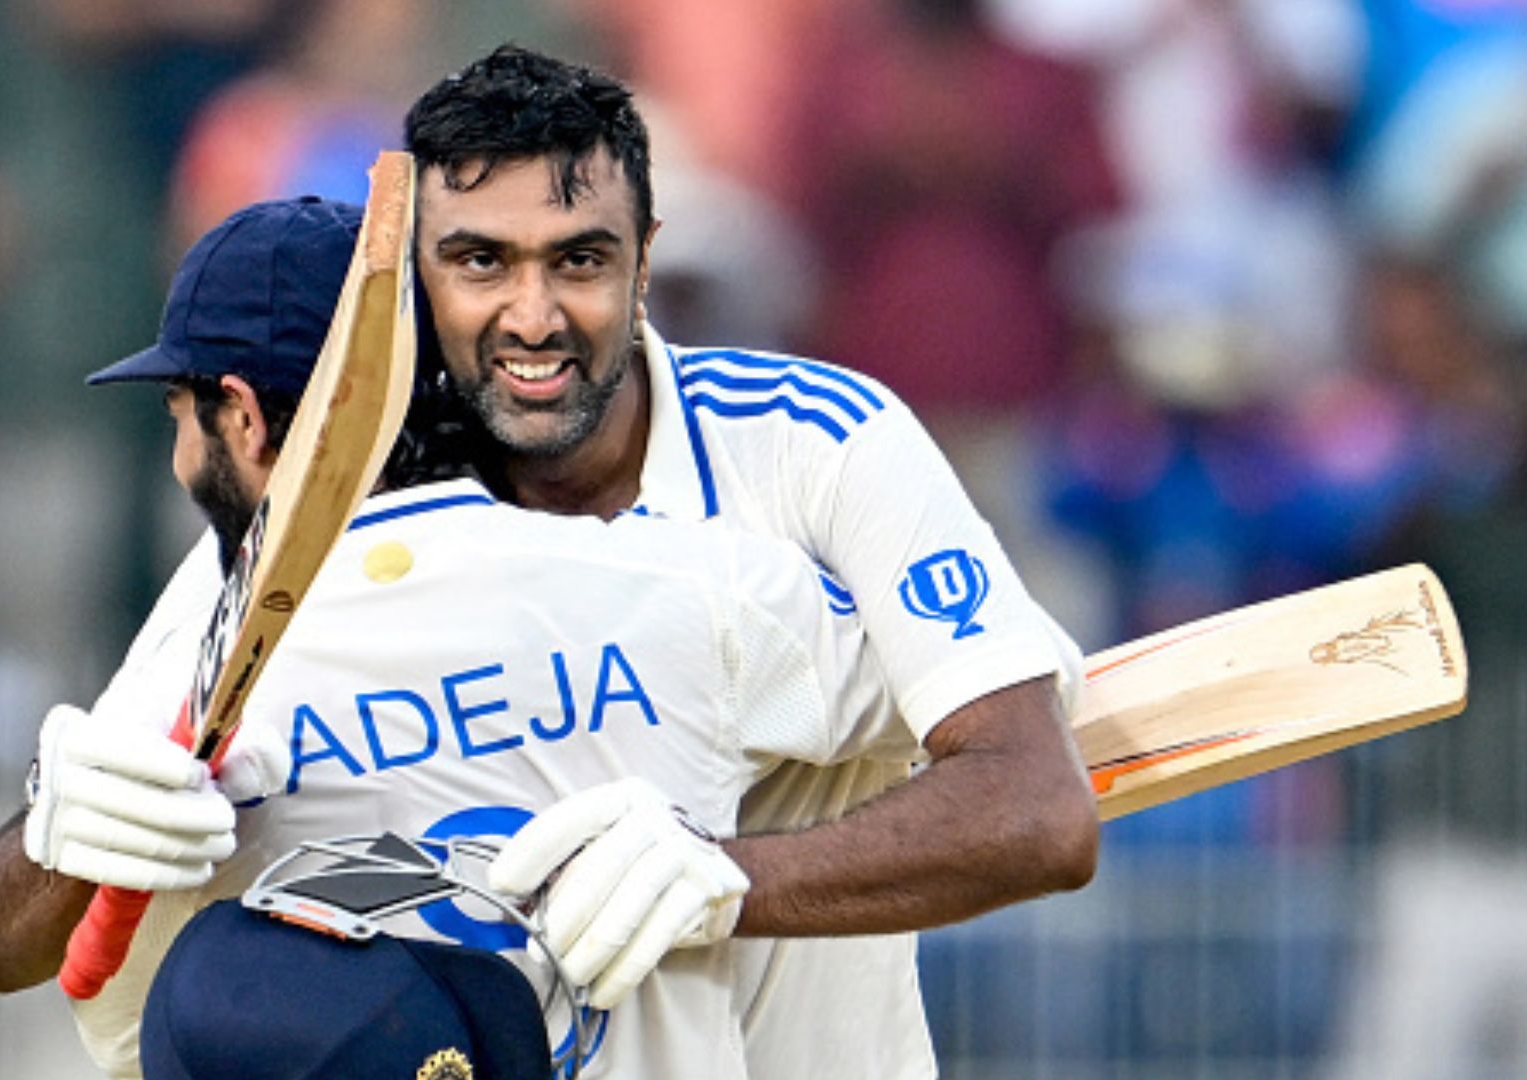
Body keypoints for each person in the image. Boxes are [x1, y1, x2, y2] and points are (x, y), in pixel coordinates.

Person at [0, 195, 1011, 1078]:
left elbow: (25, 961)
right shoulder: (694, 584)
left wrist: (47, 840)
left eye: (181, 416)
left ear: (241, 417)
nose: (182, 454)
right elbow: (1008, 752)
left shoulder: (214, 649)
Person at [402, 44, 1096, 1079]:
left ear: (644, 259)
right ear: (415, 269)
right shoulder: (365, 493)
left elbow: (1039, 811)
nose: (534, 317)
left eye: (580, 260)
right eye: (481, 262)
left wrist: (721, 882)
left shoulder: (824, 442)